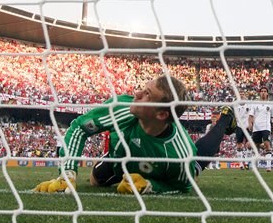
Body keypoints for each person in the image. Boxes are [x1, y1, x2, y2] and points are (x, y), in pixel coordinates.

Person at [33, 75, 236, 194]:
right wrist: (67, 173)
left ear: (162, 113)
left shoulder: (180, 153)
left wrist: (151, 185)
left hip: (167, 164)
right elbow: (79, 129)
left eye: (147, 94)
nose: (137, 94)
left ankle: (226, 119)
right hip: (120, 158)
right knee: (95, 181)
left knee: (196, 166)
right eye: (143, 89)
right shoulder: (122, 107)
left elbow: (182, 187)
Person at [248, 87, 273, 172]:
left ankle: (268, 167)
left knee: (267, 144)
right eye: (262, 91)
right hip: (256, 128)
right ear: (260, 93)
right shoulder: (255, 104)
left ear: (267, 93)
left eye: (265, 91)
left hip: (266, 127)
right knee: (256, 146)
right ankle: (256, 166)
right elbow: (251, 116)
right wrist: (250, 124)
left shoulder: (270, 104)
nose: (263, 93)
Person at [235, 92, 253, 170]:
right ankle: (240, 164)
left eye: (243, 95)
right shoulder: (235, 105)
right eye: (240, 95)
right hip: (239, 126)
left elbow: (252, 115)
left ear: (245, 96)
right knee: (239, 145)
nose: (241, 96)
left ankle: (246, 162)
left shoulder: (249, 105)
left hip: (247, 126)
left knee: (249, 145)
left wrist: (251, 124)